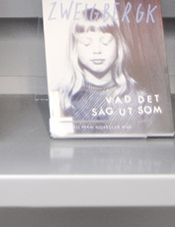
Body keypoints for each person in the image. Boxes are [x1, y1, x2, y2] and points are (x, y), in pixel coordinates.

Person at [57, 7, 162, 135]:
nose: (97, 50)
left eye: (106, 42)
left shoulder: (141, 99)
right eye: (86, 43)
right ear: (75, 49)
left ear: (118, 46)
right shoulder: (63, 100)